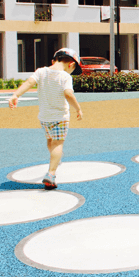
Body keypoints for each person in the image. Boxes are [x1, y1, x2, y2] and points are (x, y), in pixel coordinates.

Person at [9, 48, 84, 190]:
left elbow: (29, 83)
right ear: (71, 65)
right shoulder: (65, 77)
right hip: (60, 117)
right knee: (58, 144)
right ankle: (51, 174)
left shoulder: (41, 72)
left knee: (50, 140)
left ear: (54, 60)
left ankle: (55, 159)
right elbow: (68, 94)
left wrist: (16, 95)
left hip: (44, 117)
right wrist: (78, 108)